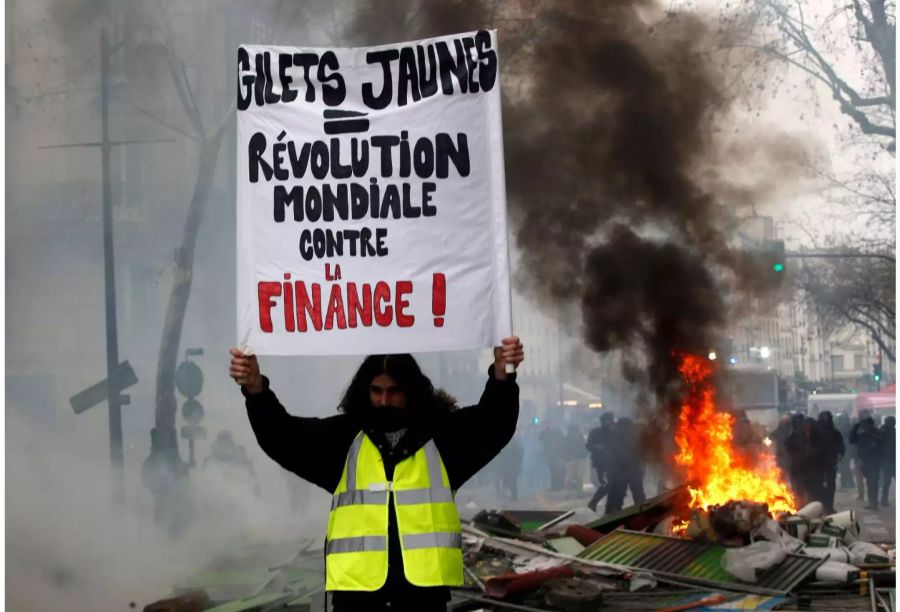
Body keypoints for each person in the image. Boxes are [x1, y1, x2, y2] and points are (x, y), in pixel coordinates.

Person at [229, 337, 524, 612]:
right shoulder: (343, 439)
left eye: (393, 391)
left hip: (422, 595)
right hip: (356, 595)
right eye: (376, 391)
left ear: (411, 391)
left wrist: (503, 377)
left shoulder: (442, 438)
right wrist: (256, 391)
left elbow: (492, 423)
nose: (384, 401)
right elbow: (283, 436)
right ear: (365, 390)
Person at [604, 417, 645, 515]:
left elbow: (612, 454)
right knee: (633, 493)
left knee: (619, 494)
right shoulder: (632, 435)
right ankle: (642, 512)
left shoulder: (619, 436)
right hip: (627, 470)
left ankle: (613, 514)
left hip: (627, 470)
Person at [786, 416, 823, 506]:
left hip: (812, 469)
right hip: (798, 469)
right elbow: (789, 450)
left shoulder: (815, 437)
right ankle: (802, 508)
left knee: (813, 492)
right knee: (799, 492)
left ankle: (814, 508)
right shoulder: (794, 437)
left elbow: (820, 450)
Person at [850, 416, 884, 511]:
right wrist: (855, 427)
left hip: (875, 461)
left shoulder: (877, 433)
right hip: (865, 461)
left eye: (866, 424)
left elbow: (880, 442)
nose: (864, 427)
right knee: (870, 482)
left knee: (874, 482)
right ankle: (871, 502)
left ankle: (874, 503)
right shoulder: (863, 434)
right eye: (863, 425)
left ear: (870, 425)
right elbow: (852, 440)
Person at [585, 412, 615, 512]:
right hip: (601, 462)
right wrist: (599, 448)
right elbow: (589, 445)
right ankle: (594, 503)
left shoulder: (614, 432)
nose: (608, 423)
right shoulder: (596, 432)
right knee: (607, 484)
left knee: (611, 484)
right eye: (606, 421)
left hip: (613, 462)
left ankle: (605, 505)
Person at [817, 411, 845, 514]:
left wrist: (840, 454)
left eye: (826, 418)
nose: (825, 421)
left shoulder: (834, 432)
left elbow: (841, 445)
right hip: (817, 464)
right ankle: (821, 507)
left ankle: (829, 507)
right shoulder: (815, 431)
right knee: (819, 487)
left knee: (830, 487)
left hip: (830, 463)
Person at [538, 422, 566, 491]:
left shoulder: (552, 435)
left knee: (554, 471)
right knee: (556, 471)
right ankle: (558, 486)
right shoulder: (553, 435)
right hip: (555, 455)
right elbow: (539, 439)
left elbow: (540, 440)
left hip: (554, 455)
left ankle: (556, 486)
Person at [563, 423, 587, 493]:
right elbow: (584, 447)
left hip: (571, 459)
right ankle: (579, 492)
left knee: (570, 477)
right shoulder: (579, 436)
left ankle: (568, 492)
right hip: (578, 458)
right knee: (578, 477)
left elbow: (564, 448)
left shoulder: (568, 437)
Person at [835, 413, 855, 490]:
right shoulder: (850, 426)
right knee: (845, 467)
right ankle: (848, 483)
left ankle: (846, 483)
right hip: (849, 449)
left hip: (844, 450)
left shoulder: (842, 427)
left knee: (844, 467)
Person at [879, 416, 895, 507]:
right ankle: (883, 500)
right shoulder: (894, 432)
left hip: (885, 461)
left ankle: (884, 500)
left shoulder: (881, 432)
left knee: (886, 482)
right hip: (893, 460)